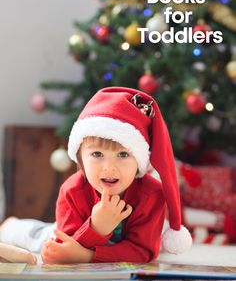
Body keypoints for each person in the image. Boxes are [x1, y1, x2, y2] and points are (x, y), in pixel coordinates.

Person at [0, 87, 192, 263]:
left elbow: (143, 251)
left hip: (116, 243)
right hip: (72, 230)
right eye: (97, 154)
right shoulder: (72, 191)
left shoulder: (152, 195)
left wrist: (88, 256)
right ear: (81, 159)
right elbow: (66, 246)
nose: (109, 167)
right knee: (42, 236)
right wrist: (96, 228)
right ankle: (11, 226)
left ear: (140, 161)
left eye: (123, 154)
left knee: (155, 237)